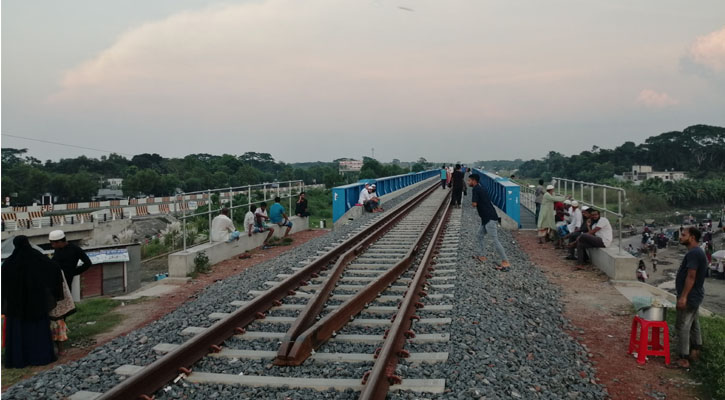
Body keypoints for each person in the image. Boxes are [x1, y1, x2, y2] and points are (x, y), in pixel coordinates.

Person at [2, 236, 64, 368]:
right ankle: (40, 357)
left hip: (17, 307)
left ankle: (19, 360)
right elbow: (54, 268)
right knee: (37, 332)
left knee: (19, 333)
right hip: (36, 304)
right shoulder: (37, 257)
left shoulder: (9, 263)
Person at [49, 230, 91, 354]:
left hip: (66, 282)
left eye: (53, 243)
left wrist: (74, 272)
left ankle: (61, 335)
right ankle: (58, 335)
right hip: (55, 281)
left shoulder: (75, 249)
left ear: (61, 242)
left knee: (63, 310)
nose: (52, 246)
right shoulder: (57, 250)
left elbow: (87, 263)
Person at [674, 227, 708, 369]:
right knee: (694, 324)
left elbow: (691, 276)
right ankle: (695, 351)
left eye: (683, 235)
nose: (680, 237)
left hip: (690, 296)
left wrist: (683, 297)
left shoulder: (694, 253)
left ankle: (684, 358)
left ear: (692, 237)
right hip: (695, 295)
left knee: (683, 325)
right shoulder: (696, 252)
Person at [468, 174, 510, 271]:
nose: (468, 182)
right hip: (486, 217)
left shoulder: (475, 189)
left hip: (489, 218)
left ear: (474, 181)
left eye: (469, 180)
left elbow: (474, 204)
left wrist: (474, 202)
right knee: (479, 235)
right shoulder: (481, 188)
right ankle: (482, 256)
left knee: (495, 240)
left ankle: (505, 262)